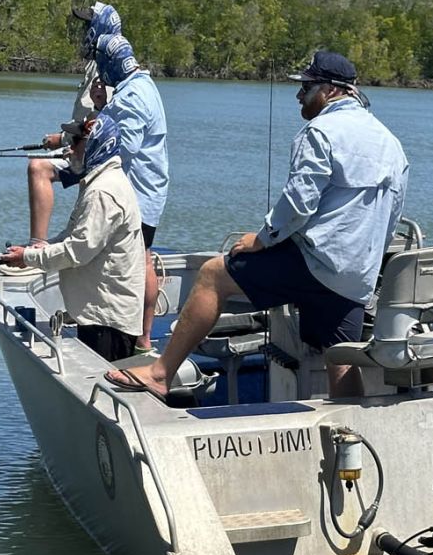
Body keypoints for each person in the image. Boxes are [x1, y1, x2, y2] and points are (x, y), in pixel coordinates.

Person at [105, 50, 408, 400]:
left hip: (315, 265)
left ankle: (160, 373)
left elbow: (299, 203)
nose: (299, 96)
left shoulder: (321, 131)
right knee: (339, 355)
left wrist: (262, 240)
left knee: (212, 275)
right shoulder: (391, 143)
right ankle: (352, 434)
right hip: (357, 275)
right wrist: (367, 267)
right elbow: (393, 214)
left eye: (306, 87)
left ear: (329, 91)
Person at [1, 113, 145, 362]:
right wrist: (30, 255)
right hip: (99, 316)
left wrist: (30, 256)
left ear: (95, 145)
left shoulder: (103, 192)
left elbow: (76, 252)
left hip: (108, 321)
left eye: (76, 142)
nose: (69, 149)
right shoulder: (99, 181)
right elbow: (72, 236)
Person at [4, 1, 121, 270]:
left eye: (88, 26)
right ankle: (42, 246)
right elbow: (87, 121)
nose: (84, 32)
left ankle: (38, 249)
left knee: (38, 168)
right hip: (81, 146)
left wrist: (65, 141)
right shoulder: (95, 64)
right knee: (40, 167)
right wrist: (63, 137)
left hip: (97, 154)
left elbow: (101, 124)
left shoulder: (109, 66)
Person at [87, 32, 170, 353]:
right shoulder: (142, 85)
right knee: (142, 262)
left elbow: (125, 146)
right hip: (149, 191)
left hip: (138, 195)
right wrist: (104, 107)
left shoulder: (132, 95)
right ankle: (141, 338)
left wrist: (85, 142)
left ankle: (137, 337)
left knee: (136, 266)